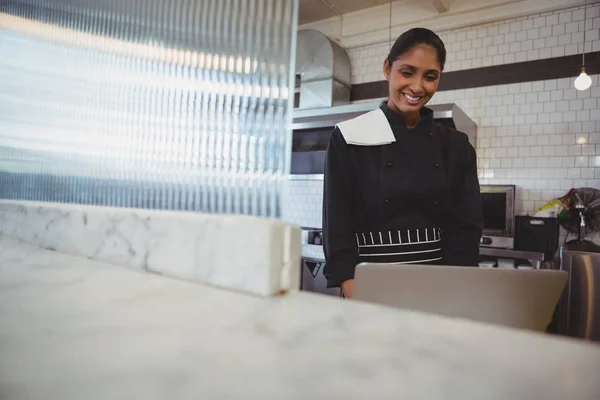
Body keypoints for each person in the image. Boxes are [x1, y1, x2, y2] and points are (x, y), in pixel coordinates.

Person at [322, 27, 484, 298]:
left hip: (437, 287)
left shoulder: (456, 146)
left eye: (430, 77)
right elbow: (337, 226)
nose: (418, 87)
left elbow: (465, 229)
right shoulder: (348, 137)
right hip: (367, 287)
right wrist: (356, 291)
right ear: (387, 68)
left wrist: (452, 294)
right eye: (407, 72)